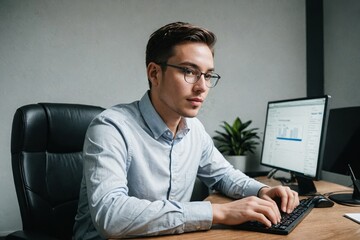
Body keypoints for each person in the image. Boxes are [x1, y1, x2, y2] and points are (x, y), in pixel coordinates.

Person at [73, 22, 299, 239]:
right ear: (154, 73)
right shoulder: (111, 128)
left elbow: (223, 175)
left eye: (208, 75)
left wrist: (262, 191)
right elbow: (111, 215)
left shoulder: (194, 129)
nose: (201, 86)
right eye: (189, 72)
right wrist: (217, 212)